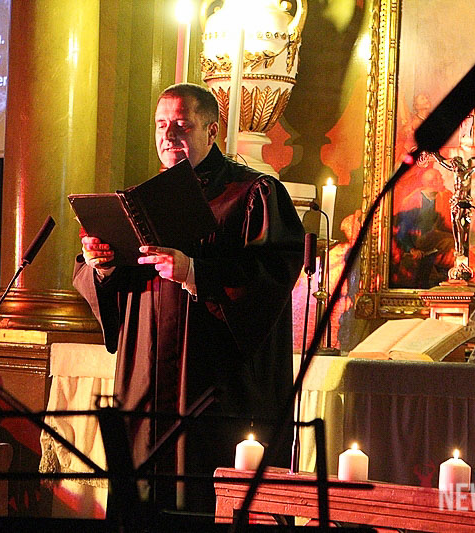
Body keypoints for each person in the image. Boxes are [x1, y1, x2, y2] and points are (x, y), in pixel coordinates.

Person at [72, 83, 305, 512]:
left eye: (182, 125)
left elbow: (272, 275)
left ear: (212, 130)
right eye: (161, 125)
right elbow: (107, 285)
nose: (169, 135)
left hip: (214, 385)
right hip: (144, 379)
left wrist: (195, 272)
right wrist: (100, 265)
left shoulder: (252, 194)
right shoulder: (139, 203)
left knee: (202, 499)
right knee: (142, 501)